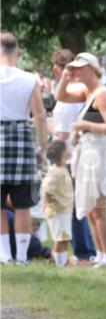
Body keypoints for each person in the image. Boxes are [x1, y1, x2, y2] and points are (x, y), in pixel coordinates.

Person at [55, 52, 106, 268]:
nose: (75, 72)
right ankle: (101, 254)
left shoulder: (102, 94)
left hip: (100, 153)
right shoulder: (87, 92)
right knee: (92, 209)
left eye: (78, 68)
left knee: (100, 209)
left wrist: (86, 126)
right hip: (88, 153)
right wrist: (65, 78)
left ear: (91, 69)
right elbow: (60, 96)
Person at [0, 31, 48, 265]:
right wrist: (43, 147)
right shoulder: (30, 78)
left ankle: (5, 257)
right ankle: (21, 257)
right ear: (16, 50)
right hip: (21, 138)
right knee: (23, 205)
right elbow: (39, 115)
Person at [49, 48, 96, 262]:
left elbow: (65, 131)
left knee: (73, 206)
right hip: (76, 153)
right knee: (78, 205)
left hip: (69, 155)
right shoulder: (79, 91)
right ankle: (86, 248)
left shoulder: (72, 94)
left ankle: (84, 250)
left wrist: (51, 129)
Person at [41, 140, 74, 268]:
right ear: (63, 153)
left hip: (63, 210)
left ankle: (57, 260)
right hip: (58, 211)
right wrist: (54, 205)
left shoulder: (61, 169)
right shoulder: (56, 171)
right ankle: (61, 263)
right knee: (62, 237)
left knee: (61, 237)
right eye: (68, 148)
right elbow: (48, 190)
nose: (71, 150)